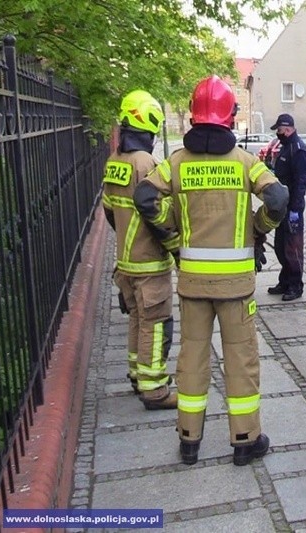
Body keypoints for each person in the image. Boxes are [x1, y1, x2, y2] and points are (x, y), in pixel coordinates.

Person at [134, 75, 289, 467]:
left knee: (192, 358)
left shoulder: (176, 164)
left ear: (193, 117)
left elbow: (145, 198)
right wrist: (259, 227)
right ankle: (245, 440)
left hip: (192, 284)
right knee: (241, 360)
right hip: (236, 287)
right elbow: (278, 196)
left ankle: (189, 440)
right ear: (229, 118)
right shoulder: (244, 163)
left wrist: (172, 238)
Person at [103, 89, 177, 410]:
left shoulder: (115, 161)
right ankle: (154, 389)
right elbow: (158, 212)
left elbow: (109, 210)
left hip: (125, 261)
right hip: (148, 262)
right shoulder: (145, 163)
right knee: (155, 322)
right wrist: (174, 246)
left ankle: (136, 373)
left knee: (136, 317)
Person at [266, 113, 306, 301]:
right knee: (280, 246)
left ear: (288, 129)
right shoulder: (285, 147)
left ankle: (295, 285)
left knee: (293, 249)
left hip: (293, 208)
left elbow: (301, 181)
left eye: (279, 129)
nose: (277, 133)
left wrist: (295, 209)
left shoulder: (298, 149)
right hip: (282, 207)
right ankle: (284, 281)